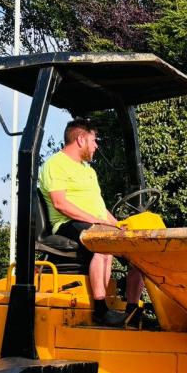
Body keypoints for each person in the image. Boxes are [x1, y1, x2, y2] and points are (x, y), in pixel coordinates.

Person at [38, 118, 144, 326]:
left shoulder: (88, 170)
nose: (96, 146)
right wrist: (98, 223)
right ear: (80, 139)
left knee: (140, 254)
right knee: (103, 243)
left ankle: (132, 313)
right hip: (67, 223)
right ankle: (101, 309)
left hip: (92, 222)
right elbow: (61, 204)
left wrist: (117, 224)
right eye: (94, 140)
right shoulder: (55, 164)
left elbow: (99, 207)